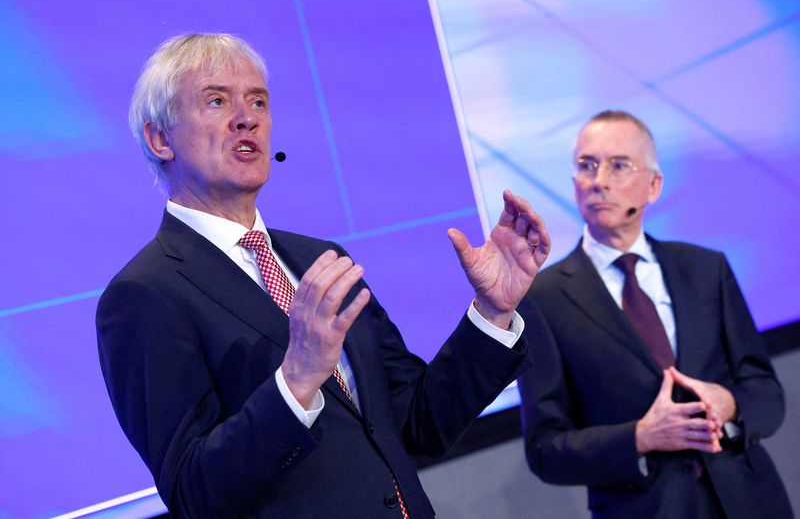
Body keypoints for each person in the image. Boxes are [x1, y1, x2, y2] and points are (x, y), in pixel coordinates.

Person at [96, 33, 551, 518]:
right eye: (216, 100)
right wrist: (297, 380)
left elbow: (418, 423)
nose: (247, 117)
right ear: (160, 139)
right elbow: (194, 493)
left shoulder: (320, 260)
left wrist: (492, 311)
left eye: (258, 101)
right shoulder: (145, 294)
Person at [517, 110, 792, 519]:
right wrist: (640, 437)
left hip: (749, 501)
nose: (599, 180)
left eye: (619, 165)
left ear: (653, 185)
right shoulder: (542, 299)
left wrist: (729, 403)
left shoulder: (706, 269)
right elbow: (545, 450)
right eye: (586, 165)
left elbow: (767, 394)